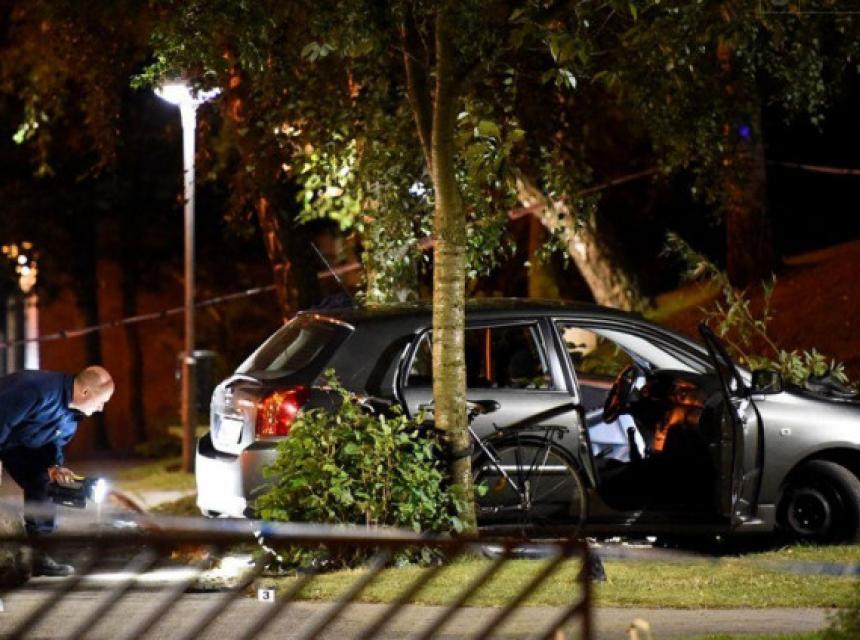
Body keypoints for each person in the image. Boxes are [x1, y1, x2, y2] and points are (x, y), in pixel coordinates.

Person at [0, 366, 114, 576]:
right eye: (102, 401)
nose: (101, 408)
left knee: (44, 482)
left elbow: (51, 445)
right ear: (86, 392)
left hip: (15, 443)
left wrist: (55, 467)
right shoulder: (36, 389)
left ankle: (38, 554)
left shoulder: (70, 419)